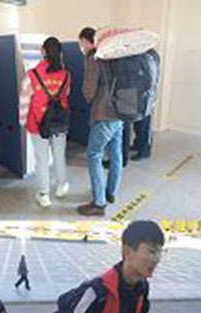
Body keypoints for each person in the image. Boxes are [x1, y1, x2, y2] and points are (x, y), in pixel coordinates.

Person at [77, 27, 124, 217]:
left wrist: (87, 94)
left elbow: (89, 91)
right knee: (116, 153)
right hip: (120, 111)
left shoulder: (93, 57)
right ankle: (111, 192)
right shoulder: (112, 55)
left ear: (87, 41)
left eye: (81, 43)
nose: (81, 47)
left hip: (104, 113)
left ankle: (99, 203)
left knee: (94, 154)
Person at [19, 37, 70, 208]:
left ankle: (44, 195)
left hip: (38, 123)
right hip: (59, 121)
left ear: (43, 51)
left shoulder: (31, 75)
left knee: (42, 159)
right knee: (59, 155)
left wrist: (23, 121)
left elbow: (24, 102)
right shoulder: (66, 74)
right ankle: (62, 186)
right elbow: (66, 94)